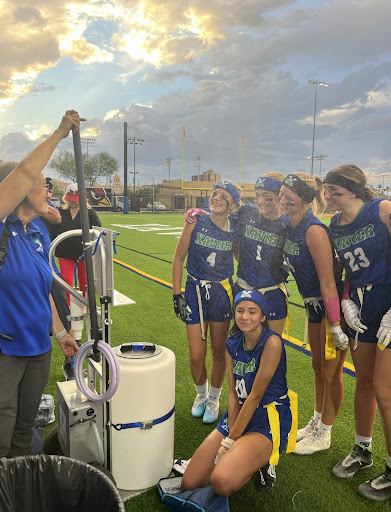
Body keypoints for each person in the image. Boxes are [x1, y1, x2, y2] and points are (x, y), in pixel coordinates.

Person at [0, 110, 80, 457]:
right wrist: (61, 132)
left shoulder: (36, 231)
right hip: (6, 350)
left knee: (25, 428)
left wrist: (60, 333)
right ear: (16, 189)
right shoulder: (2, 227)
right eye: (41, 182)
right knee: (2, 428)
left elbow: (41, 290)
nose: (47, 186)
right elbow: (25, 171)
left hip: (38, 349)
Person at [181, 290, 295, 497]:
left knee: (221, 482)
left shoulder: (272, 342)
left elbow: (256, 396)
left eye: (252, 311)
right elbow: (233, 393)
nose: (245, 316)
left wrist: (229, 442)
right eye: (240, 311)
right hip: (240, 412)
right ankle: (244, 456)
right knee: (190, 482)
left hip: (266, 417)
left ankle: (259, 462)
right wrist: (232, 432)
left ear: (262, 316)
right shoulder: (232, 343)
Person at [323, 164, 391, 501]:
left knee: (384, 389)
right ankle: (363, 450)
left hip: (389, 301)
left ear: (353, 189)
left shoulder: (382, 210)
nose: (329, 197)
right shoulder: (334, 226)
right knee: (363, 383)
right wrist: (347, 299)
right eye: (326, 191)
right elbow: (349, 270)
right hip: (363, 306)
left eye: (335, 191)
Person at [279, 172, 348, 455]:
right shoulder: (291, 225)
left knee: (331, 372)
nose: (283, 201)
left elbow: (328, 281)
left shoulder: (313, 230)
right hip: (313, 305)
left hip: (330, 306)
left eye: (289, 197)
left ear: (305, 200)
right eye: (281, 195)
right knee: (318, 368)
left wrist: (335, 323)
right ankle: (317, 420)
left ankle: (326, 432)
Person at [172, 180, 241, 424]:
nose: (217, 198)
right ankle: (200, 394)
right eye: (214, 194)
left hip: (222, 292)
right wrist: (176, 294)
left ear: (233, 204)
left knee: (219, 351)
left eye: (224, 196)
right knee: (196, 355)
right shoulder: (196, 221)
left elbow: (241, 259)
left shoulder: (236, 229)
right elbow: (179, 258)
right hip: (194, 290)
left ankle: (214, 397)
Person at [232, 176, 289, 336]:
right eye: (257, 196)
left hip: (272, 291)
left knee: (272, 345)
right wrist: (199, 214)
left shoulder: (288, 223)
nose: (260, 201)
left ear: (280, 198)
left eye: (267, 197)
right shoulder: (247, 212)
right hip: (244, 289)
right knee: (244, 347)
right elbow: (220, 223)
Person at [34, 177, 76, 381]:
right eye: (42, 187)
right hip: (27, 270)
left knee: (64, 315)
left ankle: (70, 365)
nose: (46, 191)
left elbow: (56, 217)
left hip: (49, 270)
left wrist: (33, 201)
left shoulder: (43, 206)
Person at [50, 183, 101, 305]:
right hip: (64, 252)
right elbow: (53, 230)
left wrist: (93, 251)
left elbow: (97, 230)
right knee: (66, 281)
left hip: (84, 253)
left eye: (75, 199)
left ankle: (85, 305)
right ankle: (68, 306)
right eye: (69, 199)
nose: (72, 202)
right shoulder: (61, 211)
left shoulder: (89, 212)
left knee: (84, 280)